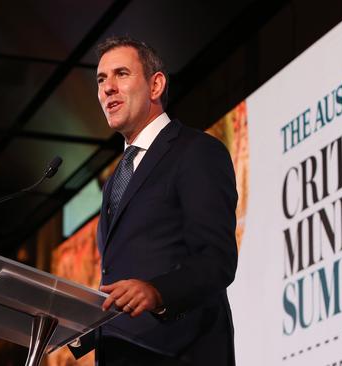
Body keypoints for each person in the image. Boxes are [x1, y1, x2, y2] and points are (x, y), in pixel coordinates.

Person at [69, 36, 238, 365]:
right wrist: (75, 324)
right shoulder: (115, 180)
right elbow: (121, 276)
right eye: (101, 79)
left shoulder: (195, 151)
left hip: (182, 352)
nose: (108, 88)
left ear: (156, 84)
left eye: (121, 74)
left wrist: (158, 291)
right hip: (122, 354)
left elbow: (216, 258)